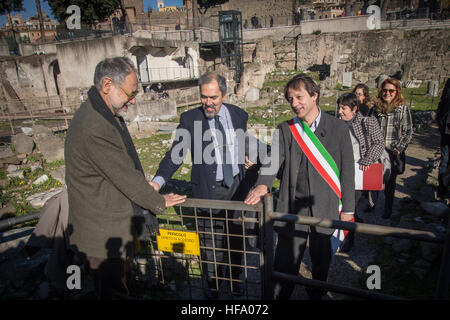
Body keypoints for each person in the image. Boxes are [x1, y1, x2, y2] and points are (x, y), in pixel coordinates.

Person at [65, 57, 186, 299]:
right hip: (101, 234)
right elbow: (124, 175)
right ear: (108, 85)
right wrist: (158, 201)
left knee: (120, 283)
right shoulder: (95, 126)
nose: (132, 100)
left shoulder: (102, 113)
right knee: (112, 292)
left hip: (107, 226)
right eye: (130, 93)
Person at [150, 71, 260, 299]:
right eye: (204, 97)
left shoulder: (239, 115)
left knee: (236, 238)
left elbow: (243, 143)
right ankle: (212, 285)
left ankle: (235, 278)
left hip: (237, 188)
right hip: (208, 190)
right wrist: (157, 182)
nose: (208, 103)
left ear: (224, 94)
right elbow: (175, 155)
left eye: (214, 97)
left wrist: (250, 160)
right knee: (210, 243)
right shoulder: (190, 119)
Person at [245, 74, 355, 300]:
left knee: (321, 258)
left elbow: (347, 174)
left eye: (298, 97)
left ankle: (316, 293)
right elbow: (273, 160)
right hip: (293, 204)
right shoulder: (286, 130)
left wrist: (349, 210)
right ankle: (281, 295)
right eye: (290, 99)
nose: (294, 103)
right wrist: (263, 184)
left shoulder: (338, 129)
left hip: (325, 204)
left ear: (314, 96)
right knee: (286, 260)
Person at [336, 93, 384, 252]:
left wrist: (367, 160)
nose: (340, 111)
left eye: (344, 108)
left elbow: (378, 143)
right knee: (339, 206)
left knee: (350, 207)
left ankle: (348, 239)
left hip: (357, 174)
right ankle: (339, 235)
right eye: (339, 107)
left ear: (355, 109)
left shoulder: (368, 122)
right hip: (339, 172)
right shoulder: (336, 124)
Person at [371, 78, 413, 219]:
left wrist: (399, 148)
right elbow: (368, 126)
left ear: (397, 92)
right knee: (374, 180)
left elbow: (408, 131)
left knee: (390, 183)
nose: (387, 93)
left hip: (393, 151)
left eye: (391, 91)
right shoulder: (375, 108)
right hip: (377, 150)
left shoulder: (402, 109)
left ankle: (388, 208)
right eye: (384, 90)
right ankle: (372, 204)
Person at [436, 79, 450, 199]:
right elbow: (442, 102)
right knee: (445, 160)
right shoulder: (449, 82)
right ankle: (442, 189)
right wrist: (439, 120)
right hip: (446, 129)